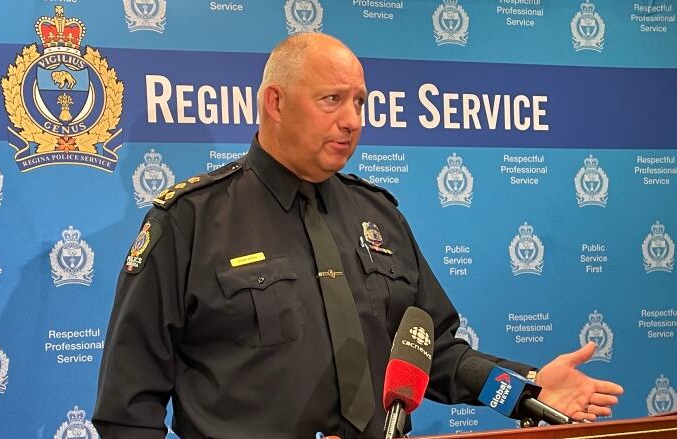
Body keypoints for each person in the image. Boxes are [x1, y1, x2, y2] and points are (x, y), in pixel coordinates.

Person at [92, 33, 623, 438]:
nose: (352, 121)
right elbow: (128, 404)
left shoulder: (378, 213)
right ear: (275, 103)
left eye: (360, 102)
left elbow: (434, 353)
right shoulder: (190, 218)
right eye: (332, 100)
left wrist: (526, 390)